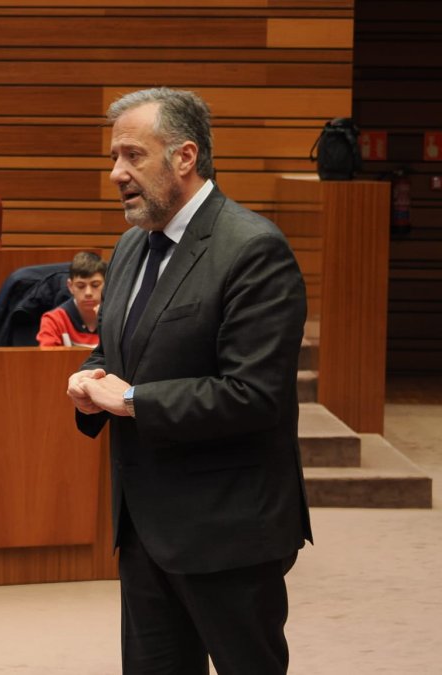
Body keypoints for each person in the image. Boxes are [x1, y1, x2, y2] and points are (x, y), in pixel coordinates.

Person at [65, 88, 311, 674]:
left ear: (184, 157)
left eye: (131, 156)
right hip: (146, 526)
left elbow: (253, 394)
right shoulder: (130, 246)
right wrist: (88, 376)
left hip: (228, 528)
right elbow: (117, 347)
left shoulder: (253, 249)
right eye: (114, 157)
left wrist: (128, 399)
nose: (115, 173)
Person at [37, 251, 105, 347]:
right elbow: (48, 360)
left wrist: (107, 325)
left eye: (95, 285)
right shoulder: (54, 320)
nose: (88, 293)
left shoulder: (117, 319)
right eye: (81, 286)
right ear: (70, 286)